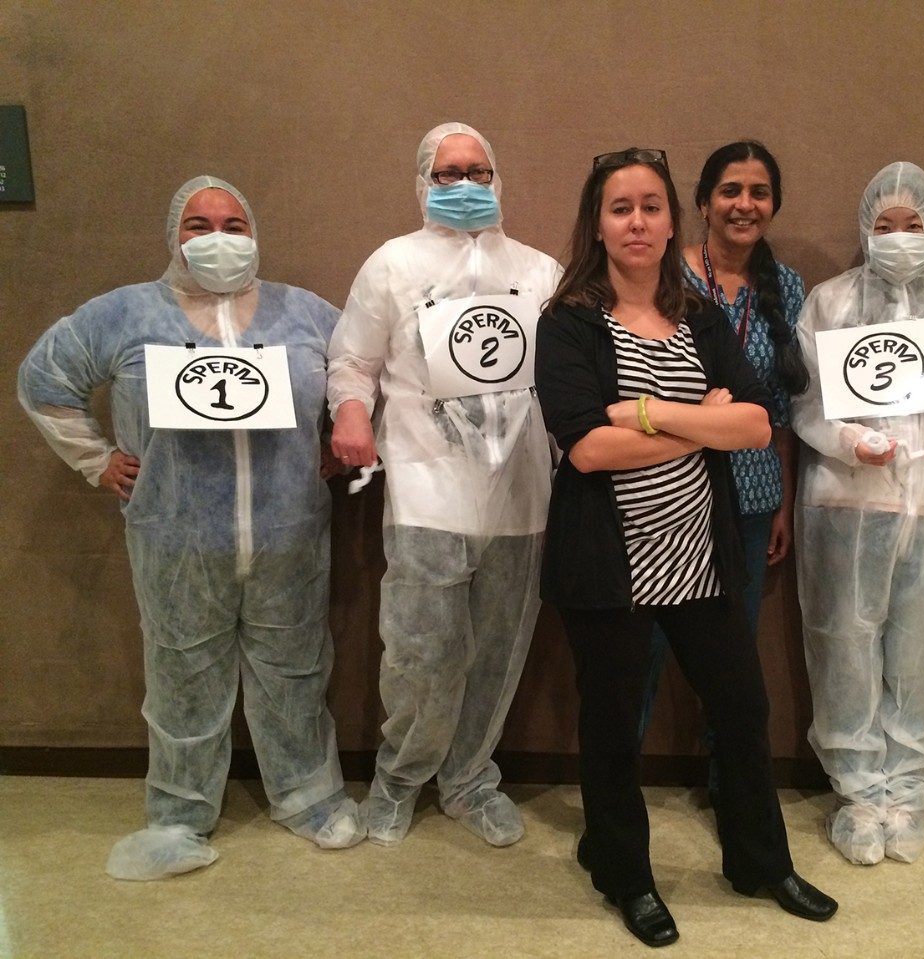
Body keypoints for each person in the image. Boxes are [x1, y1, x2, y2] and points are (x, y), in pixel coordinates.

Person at [17, 176, 362, 881]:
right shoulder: (126, 314)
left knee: (295, 669)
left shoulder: (306, 314)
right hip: (176, 540)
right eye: (198, 225)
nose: (219, 238)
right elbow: (43, 380)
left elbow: (365, 375)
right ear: (173, 236)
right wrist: (97, 460)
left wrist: (342, 438)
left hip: (287, 534)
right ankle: (177, 814)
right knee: (181, 674)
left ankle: (309, 795)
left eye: (234, 223)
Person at [535, 147, 837, 948]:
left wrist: (641, 413)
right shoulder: (568, 319)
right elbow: (585, 450)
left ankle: (760, 862)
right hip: (609, 560)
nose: (638, 221)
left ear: (674, 219)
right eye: (620, 207)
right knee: (612, 725)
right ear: (596, 225)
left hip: (700, 558)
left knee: (742, 710)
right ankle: (623, 873)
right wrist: (693, 420)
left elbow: (752, 424)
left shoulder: (697, 314)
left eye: (651, 207)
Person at [327, 122, 560, 848]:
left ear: (500, 180)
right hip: (428, 489)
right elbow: (351, 362)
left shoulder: (541, 269)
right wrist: (352, 416)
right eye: (449, 172)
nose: (465, 185)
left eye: (479, 171)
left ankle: (468, 779)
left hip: (521, 493)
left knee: (498, 647)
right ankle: (398, 780)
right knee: (421, 651)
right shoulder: (392, 265)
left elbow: (569, 371)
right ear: (423, 180)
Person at [791, 162, 924, 866]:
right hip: (847, 502)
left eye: (914, 224)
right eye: (885, 225)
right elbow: (805, 399)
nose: (900, 238)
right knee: (844, 642)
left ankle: (909, 787)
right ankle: (859, 790)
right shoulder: (830, 302)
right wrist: (848, 439)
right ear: (864, 228)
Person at [637, 141, 807, 750]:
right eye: (730, 191)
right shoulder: (658, 276)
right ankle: (618, 794)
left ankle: (731, 790)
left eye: (758, 193)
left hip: (752, 500)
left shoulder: (786, 288)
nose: (744, 204)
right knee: (643, 651)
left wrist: (783, 503)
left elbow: (783, 413)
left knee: (732, 659)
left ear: (773, 206)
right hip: (664, 494)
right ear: (704, 203)